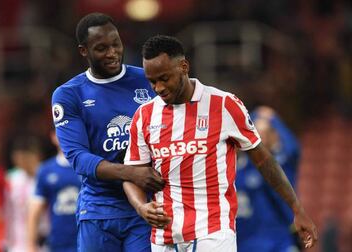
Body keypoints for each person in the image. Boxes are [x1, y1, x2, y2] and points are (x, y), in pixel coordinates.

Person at [123, 35, 318, 252]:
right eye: (152, 81)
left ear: (184, 67)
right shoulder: (144, 116)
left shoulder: (224, 104)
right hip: (163, 238)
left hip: (213, 233)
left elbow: (264, 160)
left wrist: (297, 209)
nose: (158, 87)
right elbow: (131, 174)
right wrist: (141, 207)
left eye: (164, 78)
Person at [51, 12, 165, 252]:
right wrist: (132, 174)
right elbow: (78, 158)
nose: (112, 53)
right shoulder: (69, 95)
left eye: (116, 44)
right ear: (84, 51)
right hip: (98, 208)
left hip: (146, 206)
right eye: (102, 48)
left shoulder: (147, 79)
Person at [235, 106, 302, 252]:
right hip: (247, 242)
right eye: (258, 133)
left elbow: (292, 147)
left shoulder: (283, 162)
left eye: (265, 133)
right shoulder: (241, 168)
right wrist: (255, 116)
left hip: (280, 239)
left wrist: (273, 118)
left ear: (274, 136)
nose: (261, 137)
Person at [27, 130, 81, 252]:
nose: (66, 135)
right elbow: (34, 210)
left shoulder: (87, 166)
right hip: (58, 242)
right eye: (60, 131)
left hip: (86, 239)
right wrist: (31, 245)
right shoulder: (46, 170)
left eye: (69, 130)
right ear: (53, 137)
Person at [4, 135, 46, 252]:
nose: (21, 160)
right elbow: (6, 211)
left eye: (25, 156)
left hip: (44, 241)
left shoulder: (46, 175)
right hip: (17, 243)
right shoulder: (11, 179)